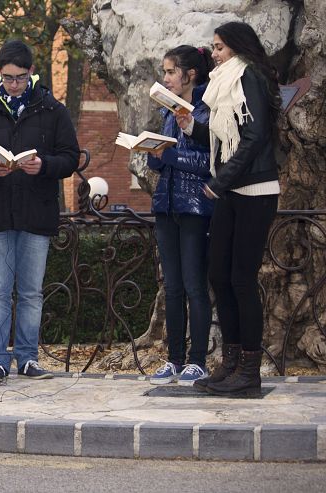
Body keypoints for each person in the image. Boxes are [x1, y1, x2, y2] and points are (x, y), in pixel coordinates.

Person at [0, 40, 80, 383]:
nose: (14, 85)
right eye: (8, 78)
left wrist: (43, 165)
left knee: (30, 291)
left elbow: (71, 156)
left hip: (36, 213)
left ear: (31, 73)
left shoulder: (52, 110)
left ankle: (27, 357)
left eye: (20, 78)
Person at [177, 22, 282, 397]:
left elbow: (253, 138)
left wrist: (219, 182)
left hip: (255, 190)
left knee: (240, 279)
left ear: (237, 48)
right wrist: (191, 126)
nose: (215, 54)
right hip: (231, 192)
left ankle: (249, 370)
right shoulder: (225, 83)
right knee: (219, 275)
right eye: (214, 47)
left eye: (219, 47)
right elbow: (224, 137)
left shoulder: (249, 77)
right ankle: (231, 362)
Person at [146, 46, 215, 386]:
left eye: (171, 71)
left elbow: (209, 164)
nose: (166, 78)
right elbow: (160, 162)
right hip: (166, 205)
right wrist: (153, 153)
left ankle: (198, 360)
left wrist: (170, 157)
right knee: (171, 287)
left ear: (190, 74)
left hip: (196, 207)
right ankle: (174, 359)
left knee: (193, 285)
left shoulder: (205, 110)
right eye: (165, 72)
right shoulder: (168, 111)